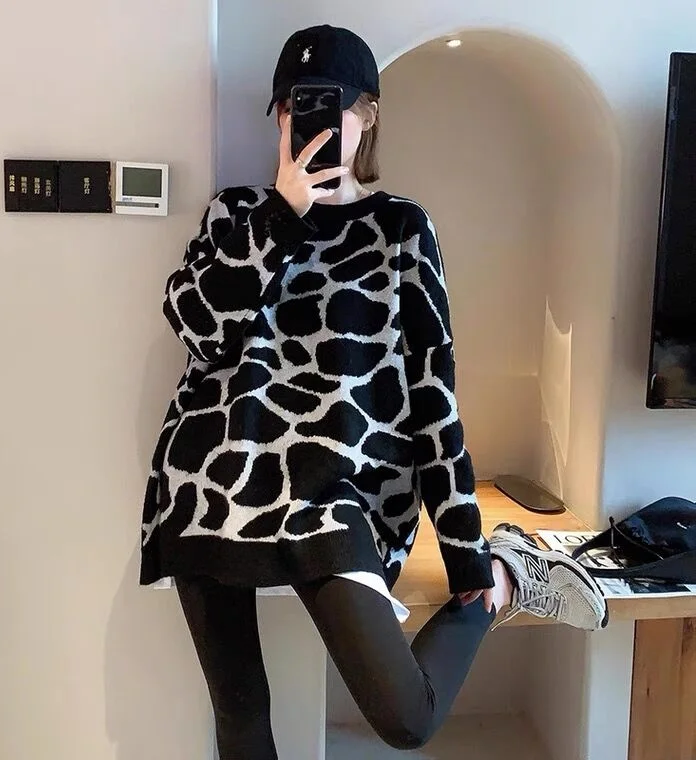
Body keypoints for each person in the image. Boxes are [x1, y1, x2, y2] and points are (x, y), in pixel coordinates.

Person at [139, 24, 609, 758]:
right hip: (210, 487)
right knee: (240, 714)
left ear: (368, 116)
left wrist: (467, 555)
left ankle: (511, 575)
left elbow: (432, 395)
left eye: (329, 106)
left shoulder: (400, 230)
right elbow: (198, 327)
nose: (308, 122)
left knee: (404, 717)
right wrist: (281, 213)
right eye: (293, 107)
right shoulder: (236, 214)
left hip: (332, 495)